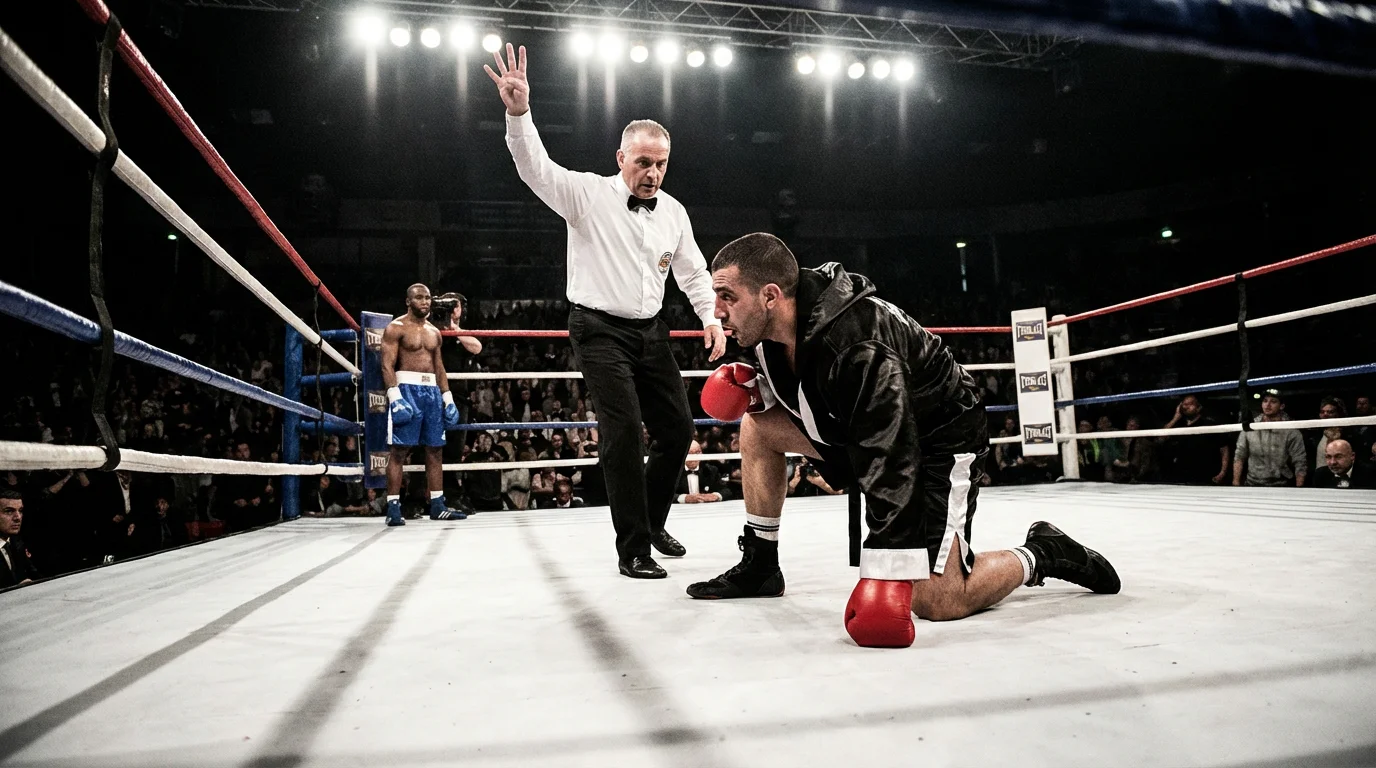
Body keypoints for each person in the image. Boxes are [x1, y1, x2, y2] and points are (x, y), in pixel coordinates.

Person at [692, 233, 1120, 649]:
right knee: (758, 425)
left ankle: (1042, 552)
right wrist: (757, 391)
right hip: (855, 429)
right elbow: (813, 388)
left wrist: (888, 566)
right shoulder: (772, 331)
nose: (717, 310)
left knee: (938, 599)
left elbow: (889, 452)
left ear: (770, 296)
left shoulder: (859, 343)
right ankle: (760, 565)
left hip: (936, 436)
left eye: (727, 296)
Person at [486, 44, 727, 579]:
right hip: (597, 329)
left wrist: (710, 316)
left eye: (661, 163)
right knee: (622, 432)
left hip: (651, 329)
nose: (653, 173)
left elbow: (691, 272)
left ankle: (653, 519)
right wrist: (519, 113)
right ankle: (633, 549)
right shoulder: (587, 196)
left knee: (679, 430)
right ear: (621, 159)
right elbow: (535, 170)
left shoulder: (675, 212)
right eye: (644, 162)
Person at [381, 283, 467, 525]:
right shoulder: (395, 328)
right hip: (406, 388)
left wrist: (447, 398)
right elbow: (387, 365)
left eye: (428, 298)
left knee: (435, 449)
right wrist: (395, 397)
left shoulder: (434, 332)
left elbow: (439, 367)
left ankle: (438, 505)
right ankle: (393, 507)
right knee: (399, 451)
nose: (425, 302)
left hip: (431, 392)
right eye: (419, 297)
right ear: (408, 301)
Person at [1233, 389, 1307, 487]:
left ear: (1282, 406)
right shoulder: (1250, 427)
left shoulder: (1291, 431)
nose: (1268, 405)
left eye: (1273, 401)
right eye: (1265, 401)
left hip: (1282, 485)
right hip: (1253, 483)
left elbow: (1300, 462)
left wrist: (1299, 489)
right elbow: (1239, 456)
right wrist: (1236, 483)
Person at [0, 489, 39, 588]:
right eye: (9, 511)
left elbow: (35, 574)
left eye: (20, 511)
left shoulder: (17, 542)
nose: (18, 517)